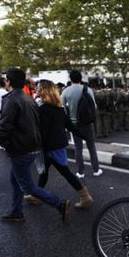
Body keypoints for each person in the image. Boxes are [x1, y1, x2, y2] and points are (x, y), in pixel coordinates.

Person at [0, 68, 70, 222]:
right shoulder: (28, 99)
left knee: (28, 187)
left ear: (9, 82)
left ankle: (59, 204)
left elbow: (4, 128)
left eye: (6, 80)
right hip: (32, 147)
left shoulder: (11, 100)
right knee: (15, 180)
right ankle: (16, 212)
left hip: (21, 149)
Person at [24, 79, 93, 209]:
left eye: (38, 87)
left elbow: (42, 131)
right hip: (58, 144)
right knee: (45, 172)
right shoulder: (58, 108)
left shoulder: (42, 108)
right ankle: (37, 195)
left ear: (43, 90)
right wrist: (85, 137)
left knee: (64, 172)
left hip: (49, 147)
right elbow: (69, 125)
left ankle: (85, 196)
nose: (36, 89)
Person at [61, 70, 102, 178]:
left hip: (74, 124)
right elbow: (94, 107)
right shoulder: (87, 89)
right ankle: (96, 170)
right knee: (91, 147)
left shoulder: (66, 91)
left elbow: (63, 109)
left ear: (70, 79)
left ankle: (80, 172)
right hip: (87, 123)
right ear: (80, 78)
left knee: (78, 148)